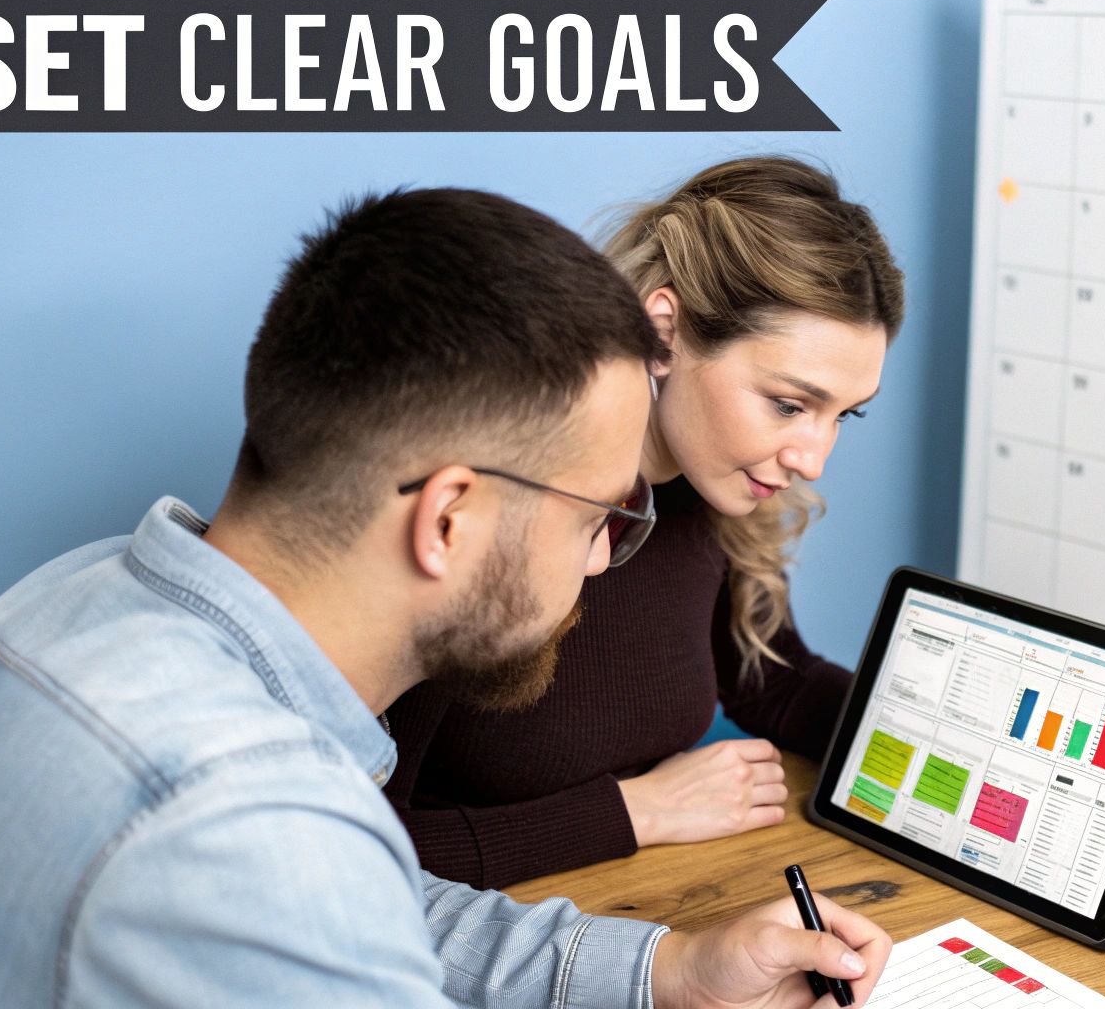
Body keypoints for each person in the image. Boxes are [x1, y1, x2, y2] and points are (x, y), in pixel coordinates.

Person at [0, 187, 890, 1007]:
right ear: (447, 519)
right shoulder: (242, 837)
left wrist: (665, 967)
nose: (603, 560)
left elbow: (373, 892)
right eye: (597, 518)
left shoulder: (56, 607)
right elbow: (304, 880)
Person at [385, 156, 905, 888]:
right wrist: (636, 813)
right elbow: (360, 848)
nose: (815, 458)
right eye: (790, 404)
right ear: (664, 333)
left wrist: (947, 747)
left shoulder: (716, 490)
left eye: (842, 415)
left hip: (641, 908)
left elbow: (772, 683)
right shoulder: (487, 507)